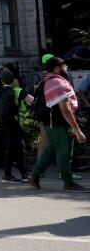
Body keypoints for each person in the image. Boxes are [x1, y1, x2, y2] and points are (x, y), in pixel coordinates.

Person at [28, 57, 88, 192]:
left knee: (52, 148)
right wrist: (77, 130)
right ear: (57, 68)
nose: (66, 68)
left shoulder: (47, 81)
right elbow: (65, 109)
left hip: (50, 122)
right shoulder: (58, 83)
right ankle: (68, 182)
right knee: (64, 151)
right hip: (60, 123)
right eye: (64, 66)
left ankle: (34, 175)